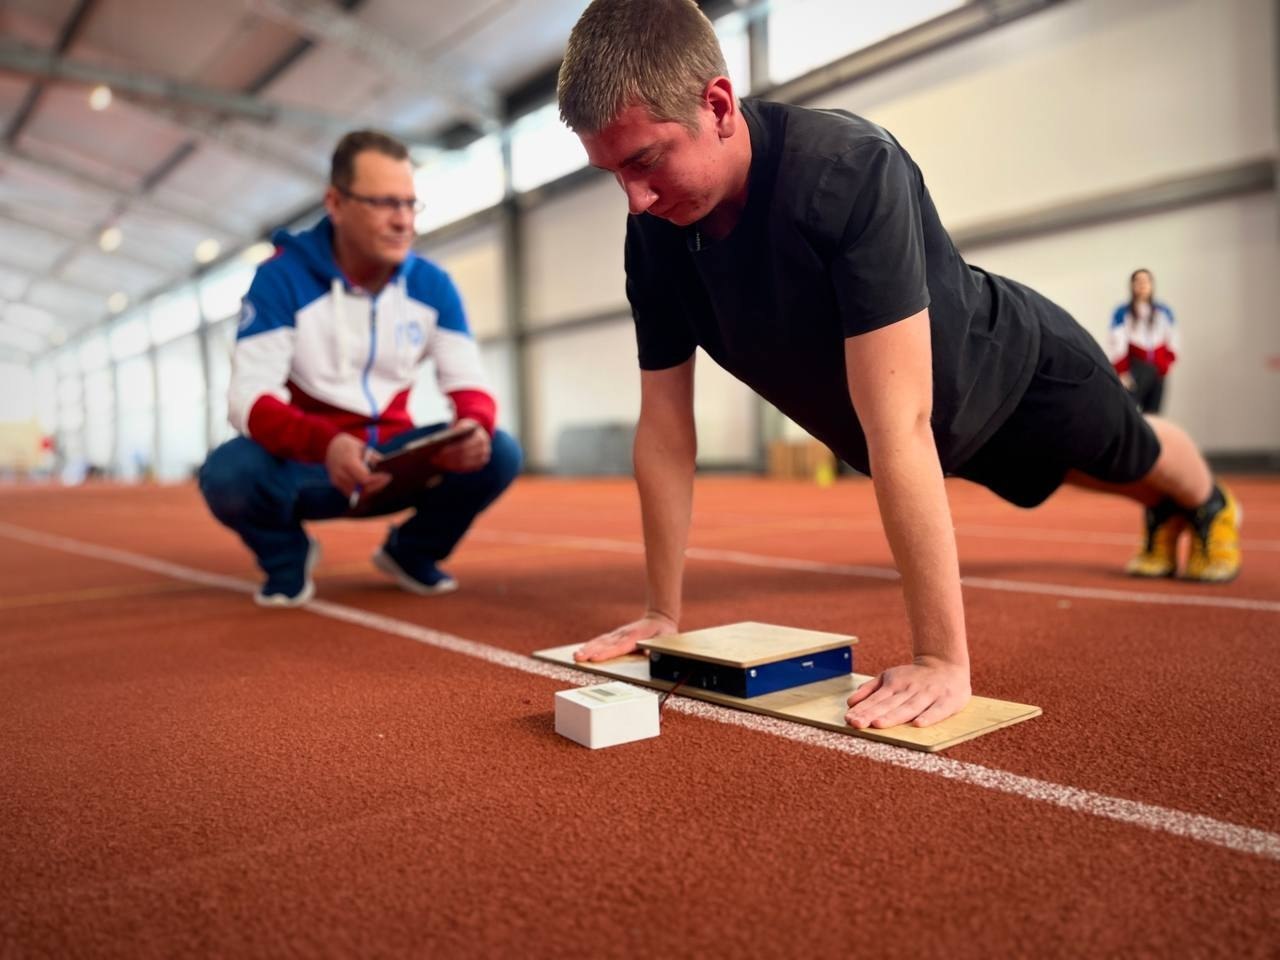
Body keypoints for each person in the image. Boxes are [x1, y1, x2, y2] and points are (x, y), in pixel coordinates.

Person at [555, 0, 1242, 730]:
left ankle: (1203, 504)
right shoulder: (655, 238)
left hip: (1019, 374)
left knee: (1134, 454)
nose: (634, 199)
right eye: (612, 173)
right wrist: (663, 611)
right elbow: (663, 428)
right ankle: (1160, 512)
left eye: (646, 161)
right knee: (1086, 480)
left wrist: (942, 658)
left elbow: (900, 418)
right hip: (928, 441)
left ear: (718, 105)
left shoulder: (845, 170)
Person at [199, 130, 521, 607]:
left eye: (411, 205)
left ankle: (410, 552)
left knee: (496, 450)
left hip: (393, 462)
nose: (403, 221)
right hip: (311, 466)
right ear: (336, 203)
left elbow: (469, 383)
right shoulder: (279, 279)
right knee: (227, 474)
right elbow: (248, 400)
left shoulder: (433, 286)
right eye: (385, 204)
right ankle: (288, 557)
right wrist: (326, 444)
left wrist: (472, 429)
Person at [1108, 268, 1177, 413]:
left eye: (1146, 281)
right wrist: (1122, 371)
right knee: (1128, 410)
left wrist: (1166, 364)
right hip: (1136, 369)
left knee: (1154, 414)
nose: (1142, 285)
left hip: (1158, 370)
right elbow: (1116, 342)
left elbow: (1173, 338)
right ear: (1132, 285)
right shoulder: (1123, 313)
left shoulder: (1163, 311)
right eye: (1138, 281)